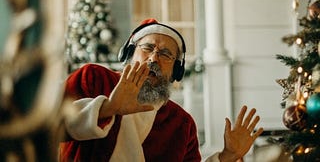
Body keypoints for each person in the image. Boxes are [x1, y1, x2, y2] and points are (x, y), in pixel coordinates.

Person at [59, 18, 264, 162]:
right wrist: (108, 108)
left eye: (165, 54)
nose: (153, 58)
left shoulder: (181, 124)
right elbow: (49, 126)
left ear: (176, 70)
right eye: (147, 48)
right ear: (130, 54)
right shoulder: (93, 78)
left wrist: (227, 156)